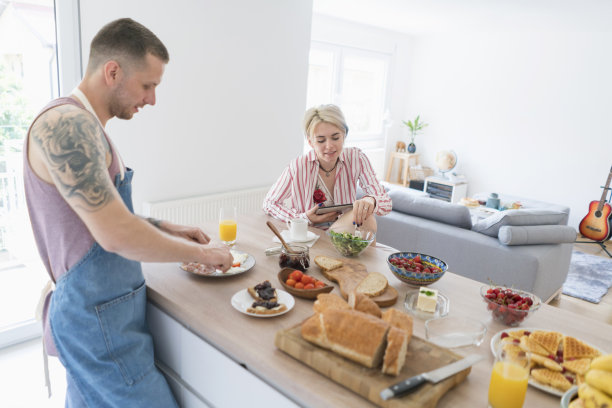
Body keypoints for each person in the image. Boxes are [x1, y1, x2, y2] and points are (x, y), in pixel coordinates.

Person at [24, 18, 232, 407]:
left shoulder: (87, 126)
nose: (152, 99)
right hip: (93, 322)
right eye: (147, 85)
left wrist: (165, 228)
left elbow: (101, 216)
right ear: (113, 71)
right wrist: (203, 255)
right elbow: (114, 234)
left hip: (106, 314)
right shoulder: (66, 125)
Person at [263, 104, 391, 233]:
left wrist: (372, 200)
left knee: (367, 215)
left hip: (344, 235)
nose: (329, 146)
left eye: (335, 138)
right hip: (309, 235)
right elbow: (269, 203)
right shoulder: (298, 166)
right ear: (310, 142)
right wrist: (304, 218)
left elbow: (386, 203)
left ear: (344, 135)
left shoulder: (356, 158)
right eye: (321, 140)